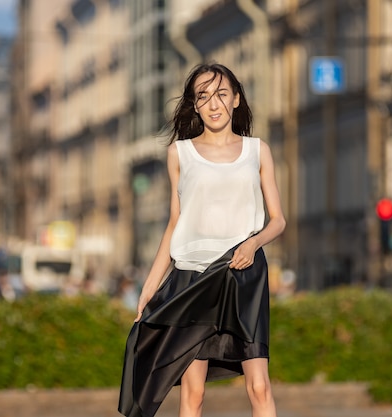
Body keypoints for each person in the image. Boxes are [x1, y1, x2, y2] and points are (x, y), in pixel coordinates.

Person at [119, 62, 286, 417]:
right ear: (194, 105)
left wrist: (253, 244)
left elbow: (278, 221)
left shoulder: (259, 151)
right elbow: (175, 223)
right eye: (204, 96)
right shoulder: (180, 154)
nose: (214, 103)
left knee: (259, 386)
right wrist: (149, 288)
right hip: (191, 279)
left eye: (222, 94)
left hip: (244, 277)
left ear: (236, 99)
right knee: (192, 393)